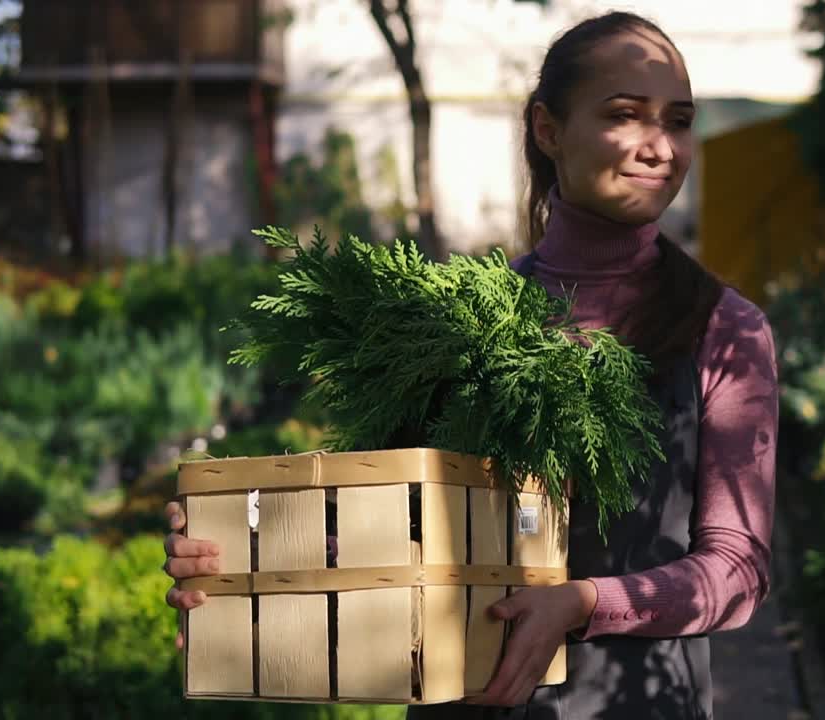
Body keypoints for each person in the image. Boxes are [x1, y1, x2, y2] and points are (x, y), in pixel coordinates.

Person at [162, 10, 777, 719]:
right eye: (626, 116)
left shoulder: (723, 330)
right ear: (548, 130)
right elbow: (393, 530)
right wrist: (248, 555)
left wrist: (583, 603)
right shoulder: (455, 319)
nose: (659, 146)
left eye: (678, 121)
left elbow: (738, 569)